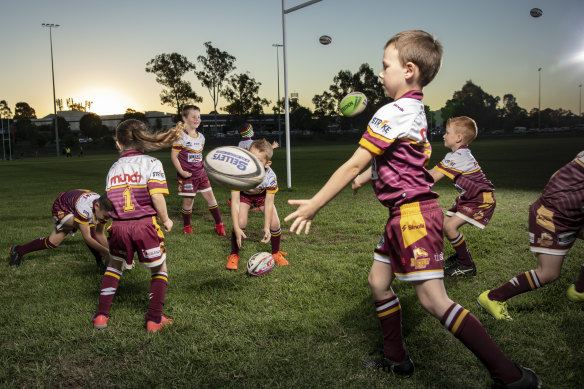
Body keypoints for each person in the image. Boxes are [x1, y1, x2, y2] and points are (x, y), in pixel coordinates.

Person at [284, 30, 541, 388]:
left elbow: (352, 164)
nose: (380, 73)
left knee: (435, 301)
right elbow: (401, 163)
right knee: (378, 282)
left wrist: (315, 204)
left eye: (385, 65)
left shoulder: (393, 110)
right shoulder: (416, 109)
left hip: (414, 216)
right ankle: (396, 358)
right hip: (402, 215)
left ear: (407, 70)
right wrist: (371, 180)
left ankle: (511, 376)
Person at [92, 119, 181, 332]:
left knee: (114, 266)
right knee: (160, 268)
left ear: (118, 144)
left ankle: (101, 317)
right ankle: (154, 319)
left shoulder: (113, 168)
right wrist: (166, 219)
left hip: (119, 227)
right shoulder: (151, 163)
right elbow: (157, 196)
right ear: (143, 139)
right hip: (144, 225)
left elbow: (111, 200)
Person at [478, 150, 584, 320]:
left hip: (567, 211)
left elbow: (560, 174)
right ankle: (493, 297)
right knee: (548, 273)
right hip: (554, 215)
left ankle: (579, 290)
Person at [428, 116, 496, 277]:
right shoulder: (455, 155)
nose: (443, 135)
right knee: (445, 225)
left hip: (480, 199)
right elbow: (431, 173)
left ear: (458, 137)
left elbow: (431, 179)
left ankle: (466, 265)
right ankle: (462, 256)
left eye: (447, 132)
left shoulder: (458, 157)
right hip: (470, 197)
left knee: (450, 228)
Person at [9, 190, 112, 271]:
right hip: (61, 207)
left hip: (73, 205)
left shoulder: (103, 207)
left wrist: (111, 253)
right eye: (105, 217)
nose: (106, 220)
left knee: (52, 242)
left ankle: (18, 250)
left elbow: (100, 234)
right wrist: (106, 253)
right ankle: (100, 262)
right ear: (97, 206)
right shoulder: (86, 208)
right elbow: (88, 238)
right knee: (88, 226)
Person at [226, 139, 288, 270]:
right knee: (241, 223)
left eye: (259, 161)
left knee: (275, 223)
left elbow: (269, 202)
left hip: (262, 196)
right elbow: (235, 201)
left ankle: (276, 253)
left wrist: (266, 227)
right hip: (244, 196)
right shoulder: (239, 173)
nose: (253, 163)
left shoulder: (270, 176)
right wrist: (236, 227)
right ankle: (234, 255)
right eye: (251, 158)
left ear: (267, 163)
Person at [171, 105, 226, 236]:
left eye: (199, 117)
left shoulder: (201, 137)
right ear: (185, 118)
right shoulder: (180, 137)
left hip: (201, 174)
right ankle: (187, 226)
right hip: (187, 176)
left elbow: (198, 156)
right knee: (189, 202)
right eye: (193, 116)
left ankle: (219, 225)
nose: (197, 119)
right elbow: (174, 157)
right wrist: (182, 172)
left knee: (211, 199)